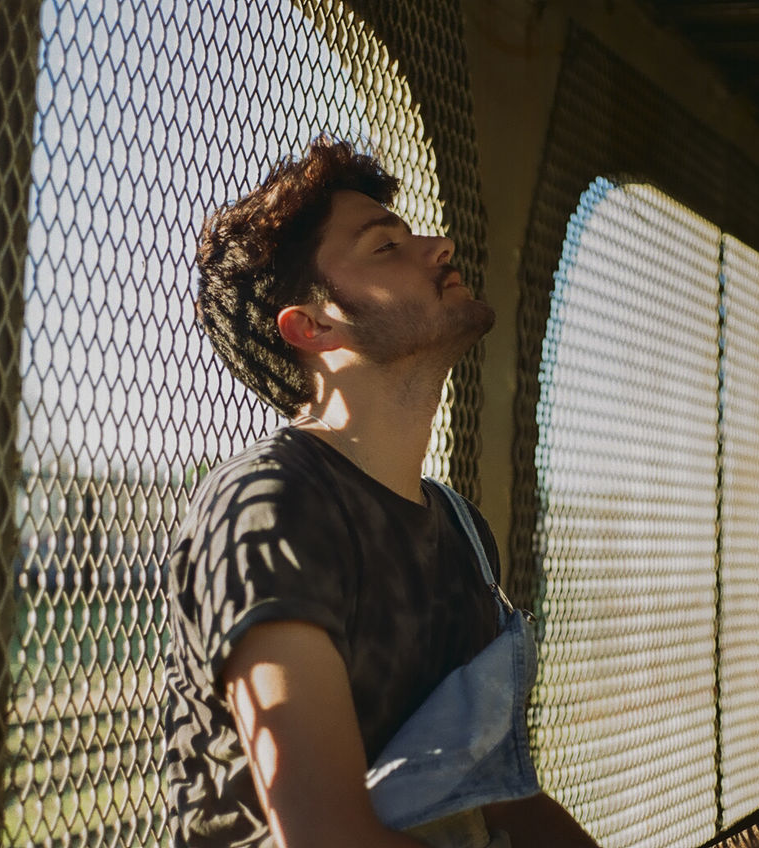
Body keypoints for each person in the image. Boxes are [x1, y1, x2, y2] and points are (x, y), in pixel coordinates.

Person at [165, 137, 598, 848]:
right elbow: (326, 837)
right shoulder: (270, 509)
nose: (438, 246)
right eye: (385, 247)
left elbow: (508, 806)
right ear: (312, 325)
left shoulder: (461, 532)